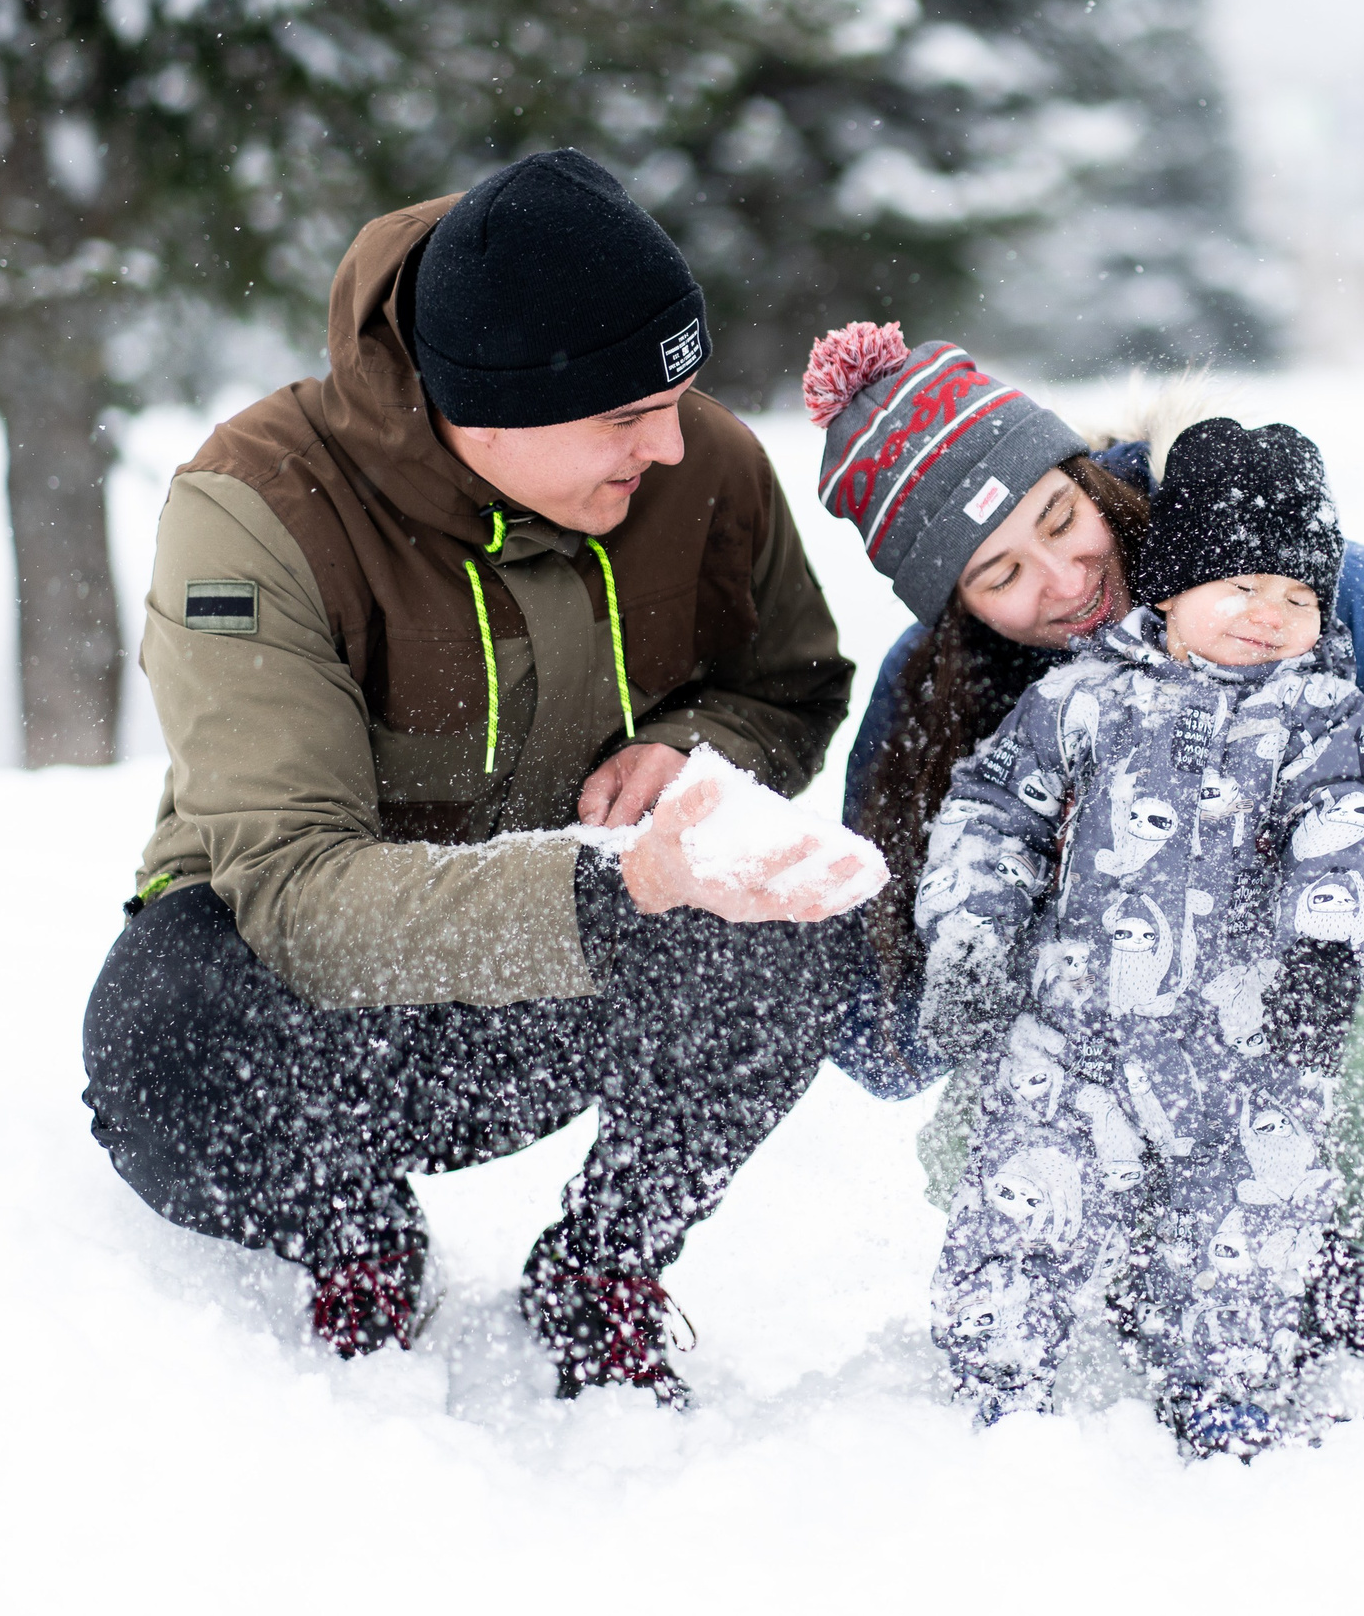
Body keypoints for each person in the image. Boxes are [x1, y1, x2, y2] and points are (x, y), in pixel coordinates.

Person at [80, 150, 866, 1404]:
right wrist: (611, 898)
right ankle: (354, 1236)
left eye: (679, 397)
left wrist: (693, 746)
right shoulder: (258, 506)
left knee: (799, 928)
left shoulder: (698, 462)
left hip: (558, 972)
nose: (672, 444)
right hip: (309, 998)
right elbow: (295, 889)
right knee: (160, 1055)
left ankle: (603, 1270)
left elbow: (790, 683)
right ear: (487, 408)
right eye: (626, 416)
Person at [805, 323, 1364, 1387]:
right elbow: (886, 1034)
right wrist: (966, 935)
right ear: (957, 608)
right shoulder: (942, 700)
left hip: (1338, 1015)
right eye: (1000, 573)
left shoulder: (1294, 577)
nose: (1063, 579)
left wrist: (1298, 820)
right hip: (1114, 1039)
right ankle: (1084, 1256)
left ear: (1087, 476)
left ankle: (1354, 1251)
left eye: (1061, 519)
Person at [914, 415, 1364, 1457]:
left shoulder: (1326, 721)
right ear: (1174, 588)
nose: (1270, 614)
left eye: (1299, 596)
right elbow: (991, 815)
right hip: (1076, 1028)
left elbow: (1354, 832)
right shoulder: (1080, 699)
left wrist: (1324, 956)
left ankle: (1225, 1386)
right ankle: (995, 1373)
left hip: (1246, 1035)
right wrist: (971, 940)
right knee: (1027, 1194)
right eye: (1241, 585)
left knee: (1252, 1220)